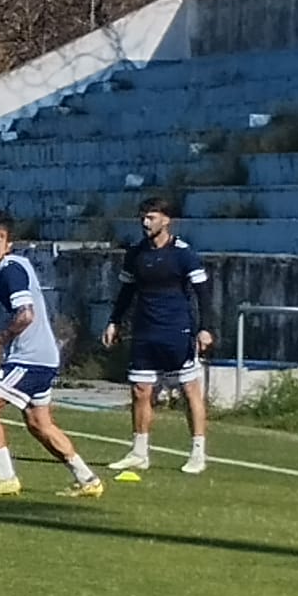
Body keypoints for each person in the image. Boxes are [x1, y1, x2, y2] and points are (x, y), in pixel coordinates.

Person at [0, 209, 104, 499]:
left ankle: (6, 477)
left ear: (2, 236)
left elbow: (25, 315)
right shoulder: (14, 267)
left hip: (30, 358)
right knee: (40, 423)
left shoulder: (11, 270)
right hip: (43, 357)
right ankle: (87, 478)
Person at [103, 197, 215, 475]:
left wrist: (206, 327)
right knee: (140, 390)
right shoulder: (136, 253)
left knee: (189, 390)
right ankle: (140, 452)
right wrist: (114, 321)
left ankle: (198, 453)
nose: (145, 222)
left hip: (176, 330)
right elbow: (126, 292)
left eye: (151, 217)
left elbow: (203, 294)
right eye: (142, 217)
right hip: (145, 330)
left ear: (166, 220)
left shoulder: (183, 253)